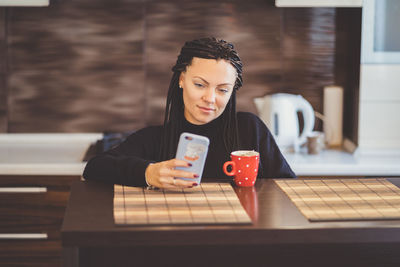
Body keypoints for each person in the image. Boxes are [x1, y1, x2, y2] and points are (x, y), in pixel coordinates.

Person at [83, 37, 296, 189]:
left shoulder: (249, 130)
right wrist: (149, 173)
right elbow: (95, 168)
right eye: (200, 85)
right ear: (182, 79)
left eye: (222, 89)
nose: (210, 98)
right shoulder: (154, 140)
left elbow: (288, 186)